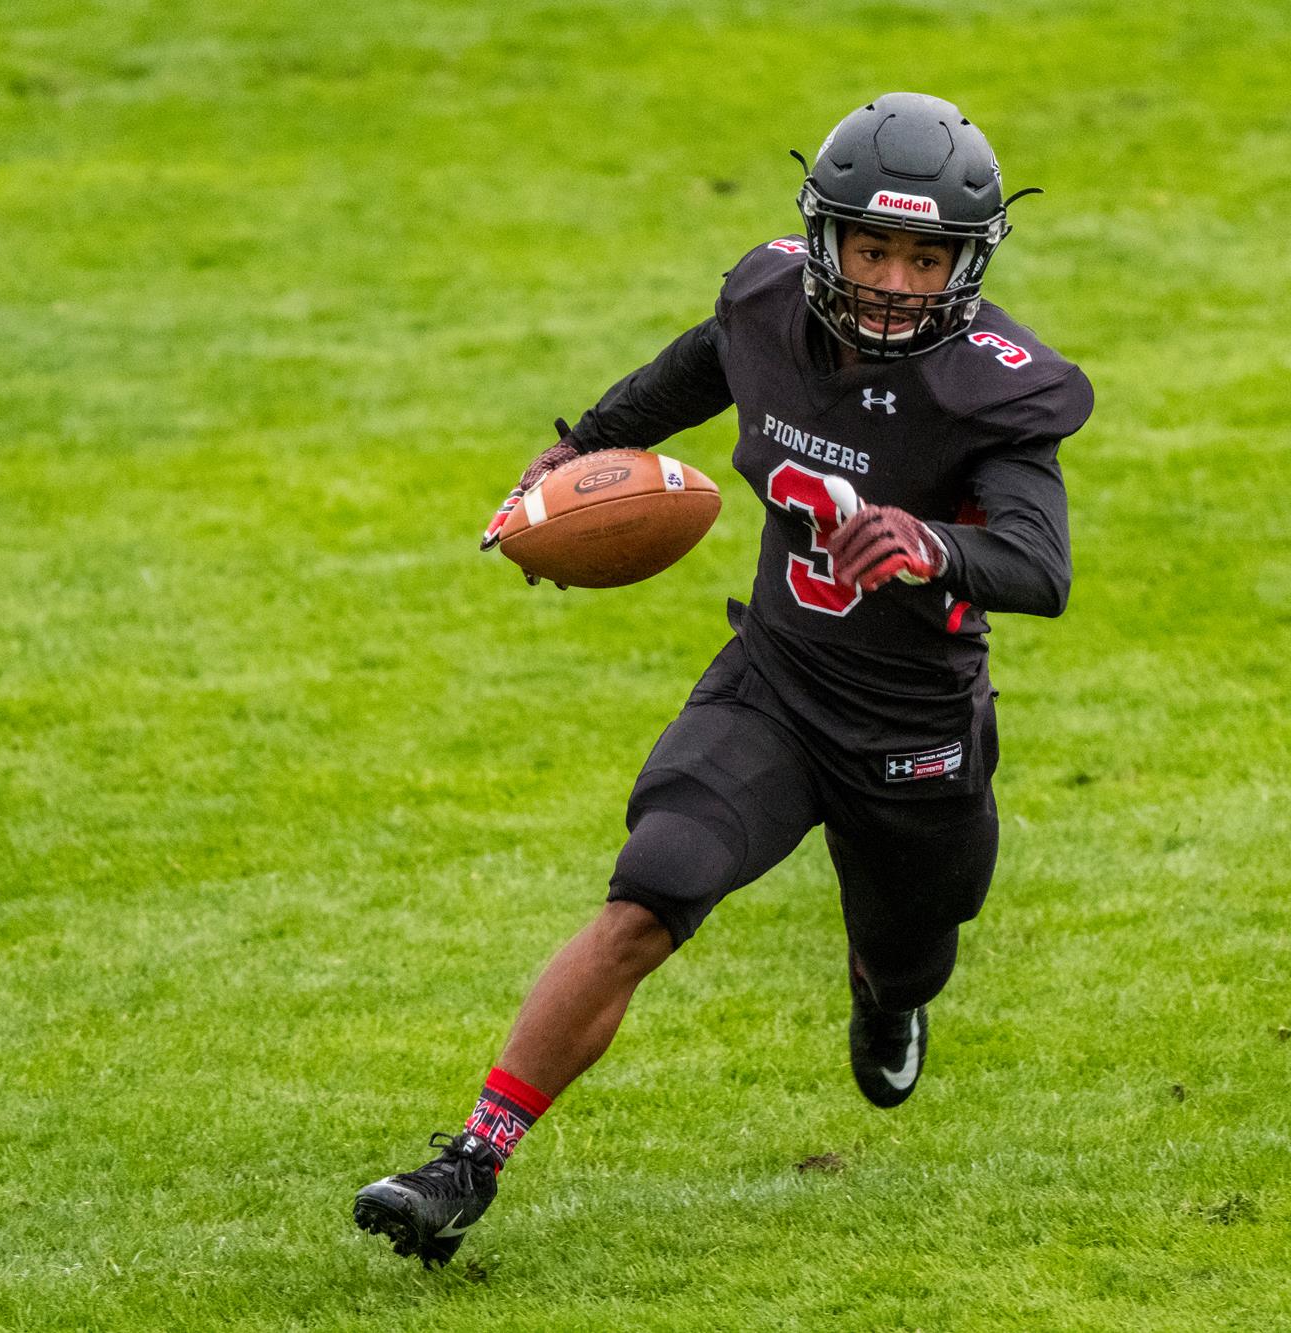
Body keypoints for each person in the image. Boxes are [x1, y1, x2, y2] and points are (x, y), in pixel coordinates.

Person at [351, 92, 1094, 1268]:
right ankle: (467, 1163)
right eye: (871, 248)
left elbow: (1040, 565)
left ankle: (884, 986)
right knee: (648, 892)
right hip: (777, 682)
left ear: (964, 261)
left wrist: (932, 544)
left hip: (911, 730)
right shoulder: (767, 304)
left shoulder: (995, 386)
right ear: (824, 242)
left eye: (922, 255)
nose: (895, 279)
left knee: (917, 943)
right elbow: (707, 361)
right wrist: (590, 442)